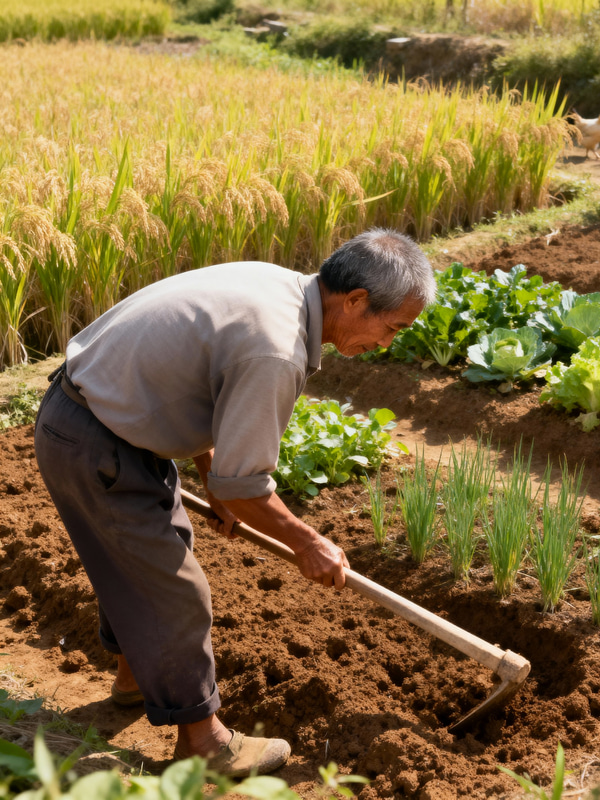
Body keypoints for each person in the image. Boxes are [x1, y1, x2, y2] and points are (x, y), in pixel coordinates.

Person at [34, 228, 436, 777]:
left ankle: (135, 682)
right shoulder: (277, 348)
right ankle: (205, 742)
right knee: (176, 591)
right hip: (98, 440)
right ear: (357, 300)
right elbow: (243, 484)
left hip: (101, 421)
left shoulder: (281, 287)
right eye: (391, 328)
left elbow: (199, 387)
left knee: (141, 557)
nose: (387, 344)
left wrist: (209, 469)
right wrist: (307, 542)